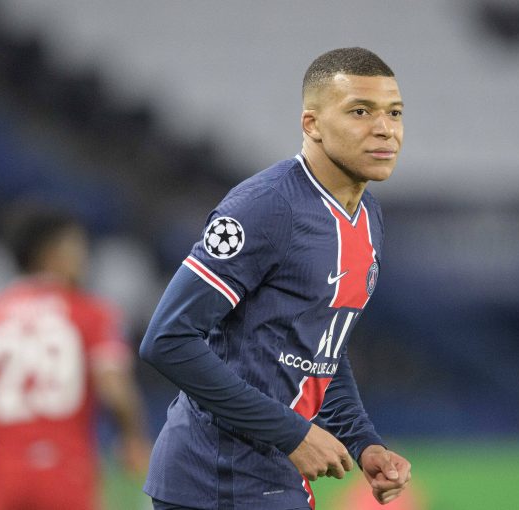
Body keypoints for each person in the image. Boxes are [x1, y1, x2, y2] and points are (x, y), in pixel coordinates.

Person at [138, 47, 412, 510]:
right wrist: (292, 433)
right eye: (360, 112)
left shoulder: (367, 216)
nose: (385, 128)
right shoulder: (266, 206)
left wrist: (363, 441)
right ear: (312, 124)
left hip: (273, 476)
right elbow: (167, 339)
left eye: (395, 113)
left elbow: (321, 347)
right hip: (216, 480)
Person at [0, 206, 152, 510]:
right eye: (77, 247)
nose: (84, 259)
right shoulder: (93, 314)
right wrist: (133, 438)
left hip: (5, 478)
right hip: (67, 472)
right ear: (52, 253)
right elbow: (114, 389)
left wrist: (7, 436)